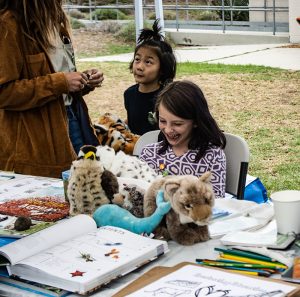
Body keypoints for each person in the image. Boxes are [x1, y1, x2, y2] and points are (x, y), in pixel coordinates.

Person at [0, 0, 103, 178]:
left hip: (74, 120)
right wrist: (60, 82)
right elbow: (4, 92)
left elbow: (60, 80)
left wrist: (82, 81)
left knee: (88, 191)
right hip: (36, 145)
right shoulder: (8, 25)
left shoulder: (55, 21)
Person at [140, 80, 227, 198]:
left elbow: (216, 203)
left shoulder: (213, 156)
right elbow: (141, 195)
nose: (168, 129)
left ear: (196, 121)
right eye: (163, 121)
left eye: (177, 124)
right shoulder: (149, 154)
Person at [124, 19, 176, 136]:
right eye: (137, 59)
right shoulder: (129, 94)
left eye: (148, 62)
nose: (139, 67)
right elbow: (133, 123)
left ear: (162, 69)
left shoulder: (168, 97)